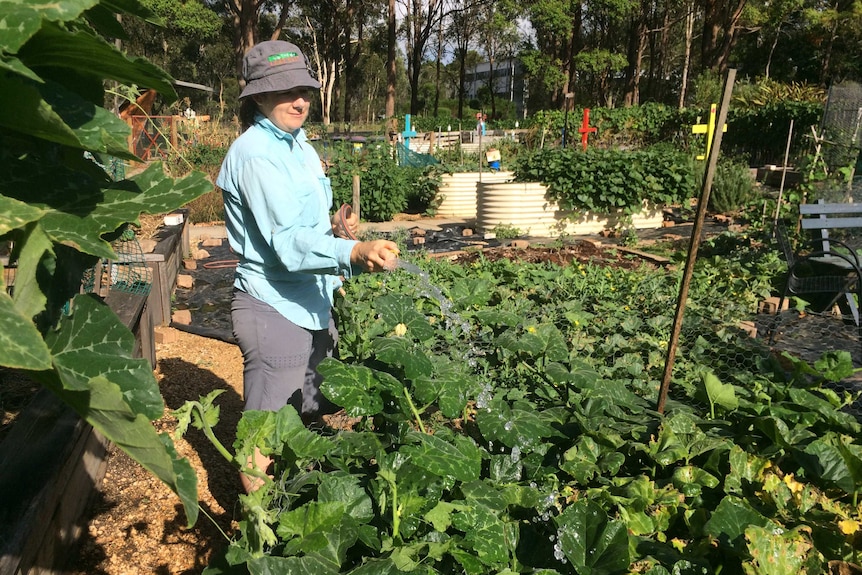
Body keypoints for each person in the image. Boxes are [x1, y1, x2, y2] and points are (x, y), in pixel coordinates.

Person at [216, 40, 399, 492]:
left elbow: (303, 223)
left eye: (304, 89)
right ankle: (264, 535)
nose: (299, 101)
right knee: (264, 430)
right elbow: (286, 244)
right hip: (274, 304)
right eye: (284, 91)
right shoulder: (256, 154)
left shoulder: (298, 144)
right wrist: (351, 254)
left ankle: (298, 497)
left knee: (306, 410)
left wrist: (336, 227)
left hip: (312, 299)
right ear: (257, 97)